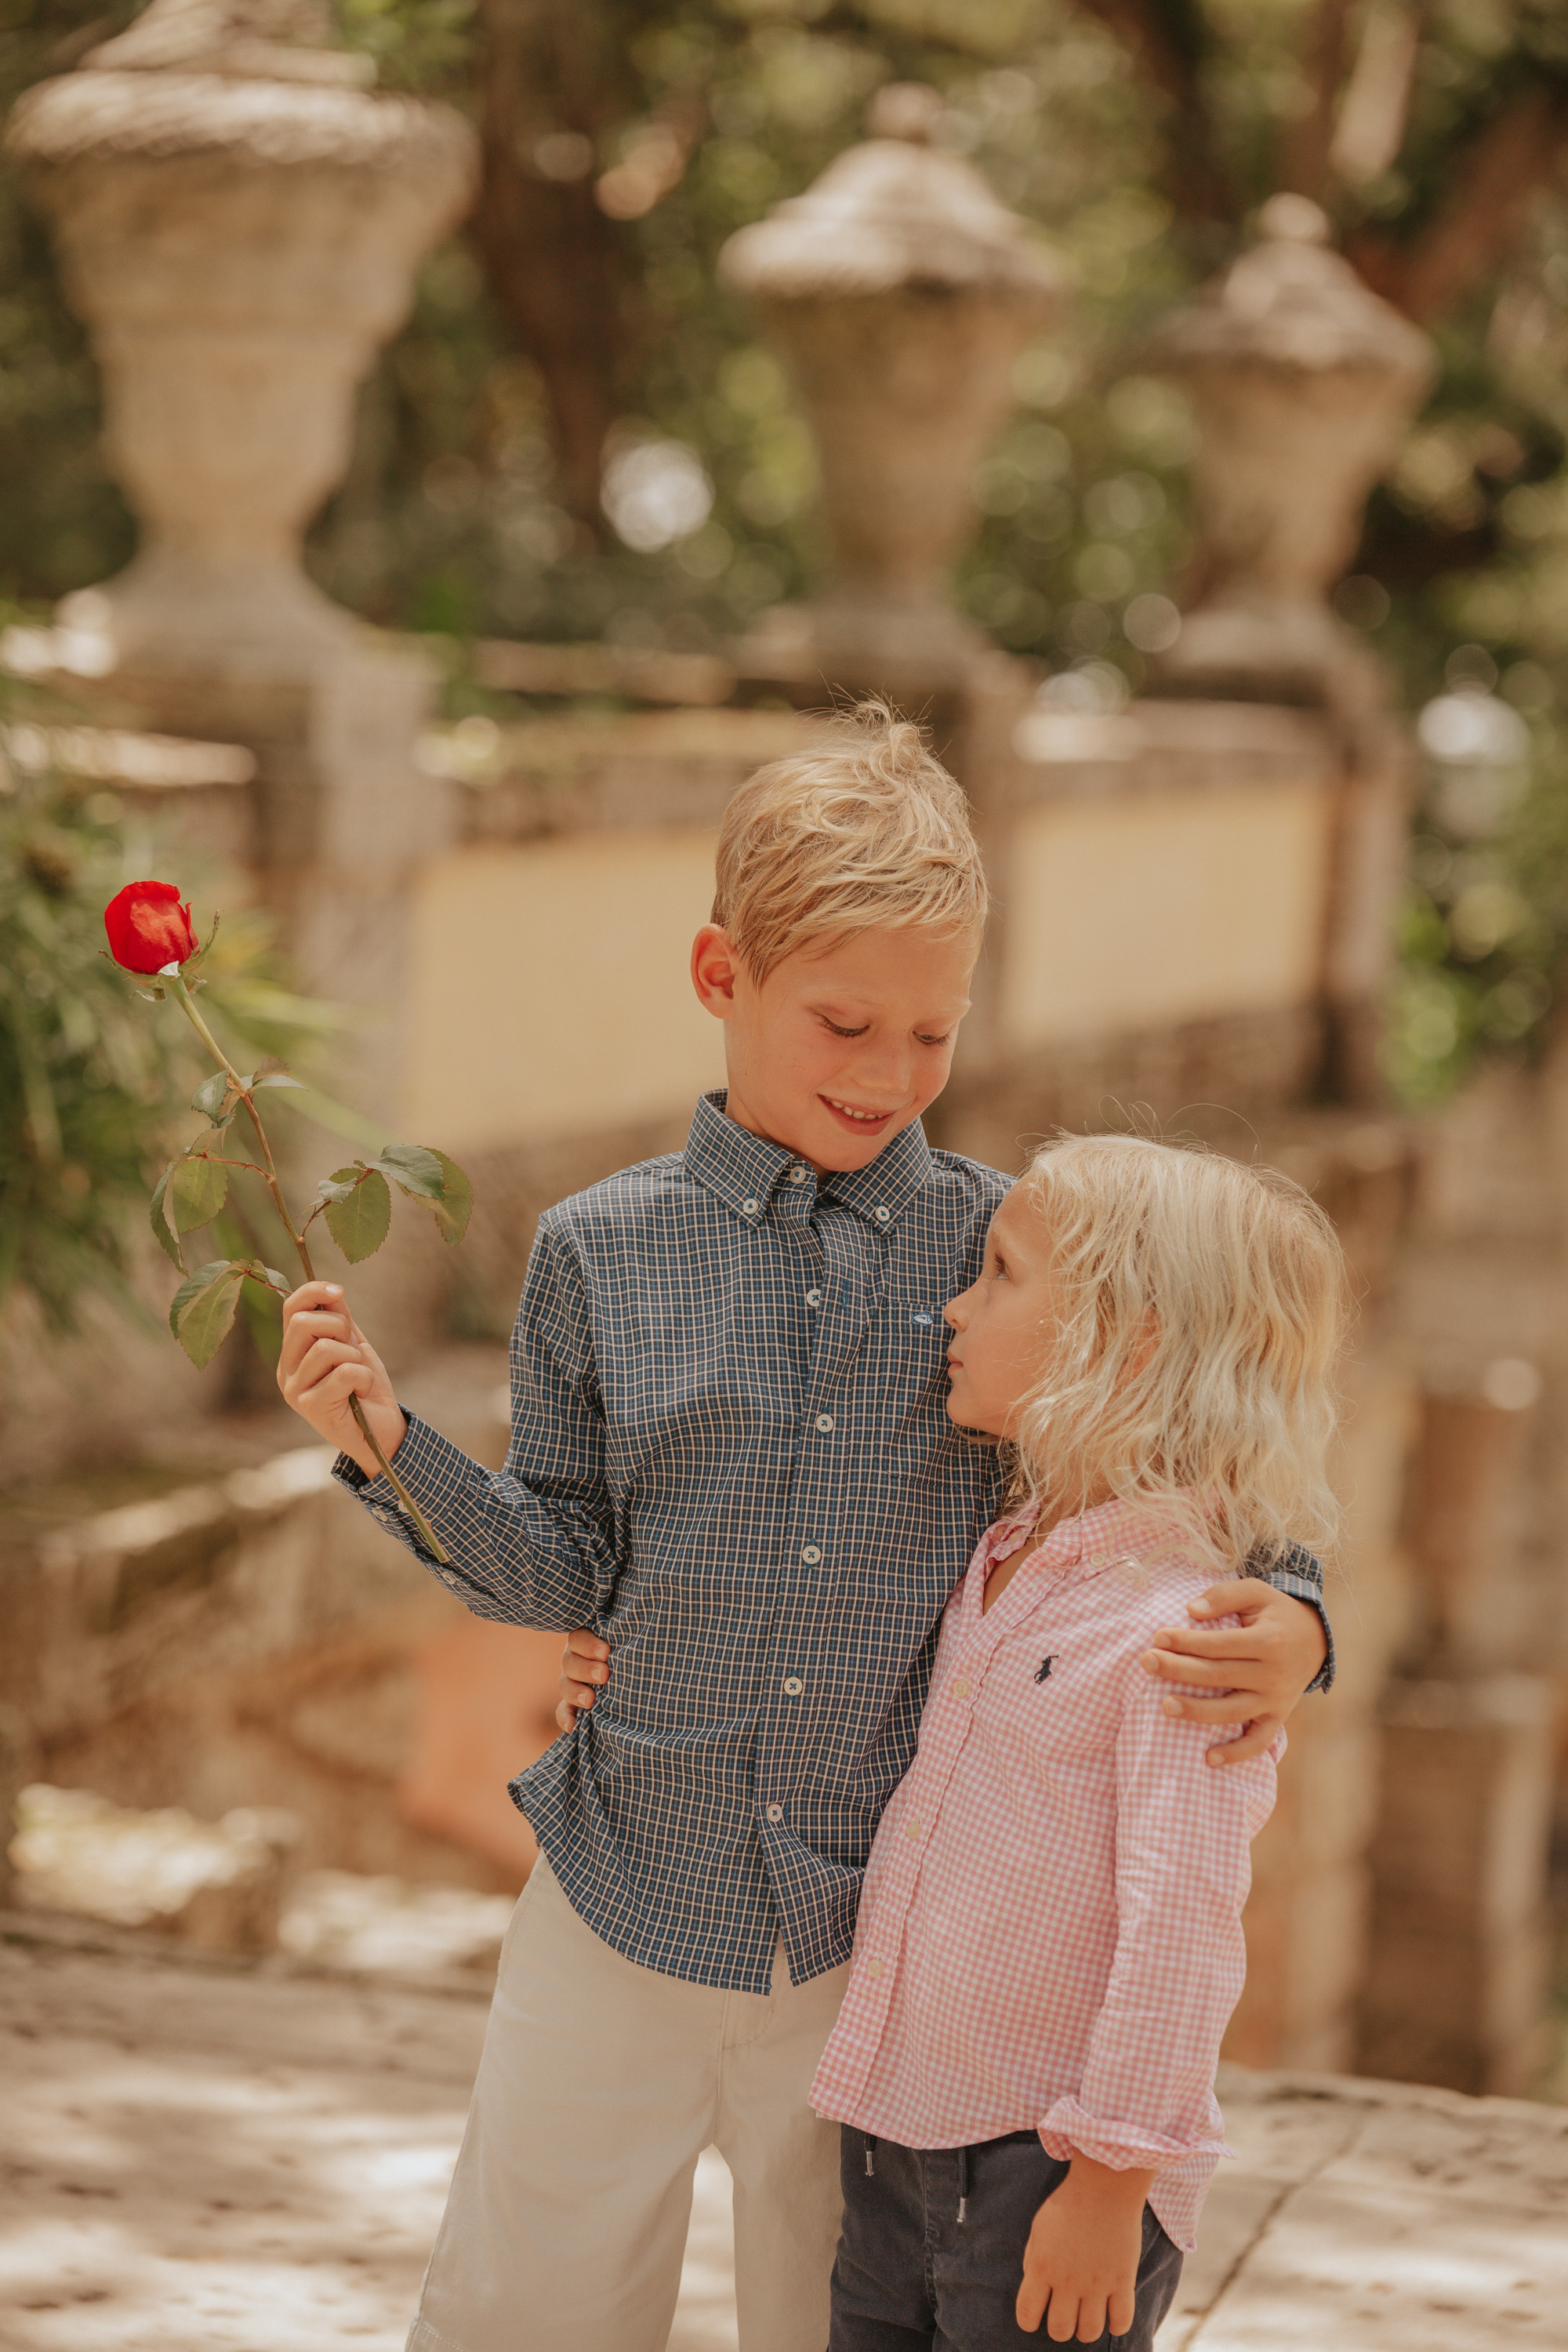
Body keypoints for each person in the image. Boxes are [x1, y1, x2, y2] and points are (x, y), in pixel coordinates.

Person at [275, 705, 1333, 2352]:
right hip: (623, 1886)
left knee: (824, 2318)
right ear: (722, 976)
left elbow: (1184, 1440)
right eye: (844, 1020)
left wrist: (1297, 1613)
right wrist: (385, 1444)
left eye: (931, 1034)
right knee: (521, 2308)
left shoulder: (1013, 1250)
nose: (886, 1073)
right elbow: (562, 1562)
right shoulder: (594, 1255)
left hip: (878, 1952)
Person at [811, 1134, 1349, 2350]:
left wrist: (1110, 2181)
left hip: (1046, 2170)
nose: (954, 1304)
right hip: (899, 2141)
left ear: (1128, 1337)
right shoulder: (1008, 1555)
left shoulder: (1188, 1630)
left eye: (999, 1273)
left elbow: (1183, 1928)